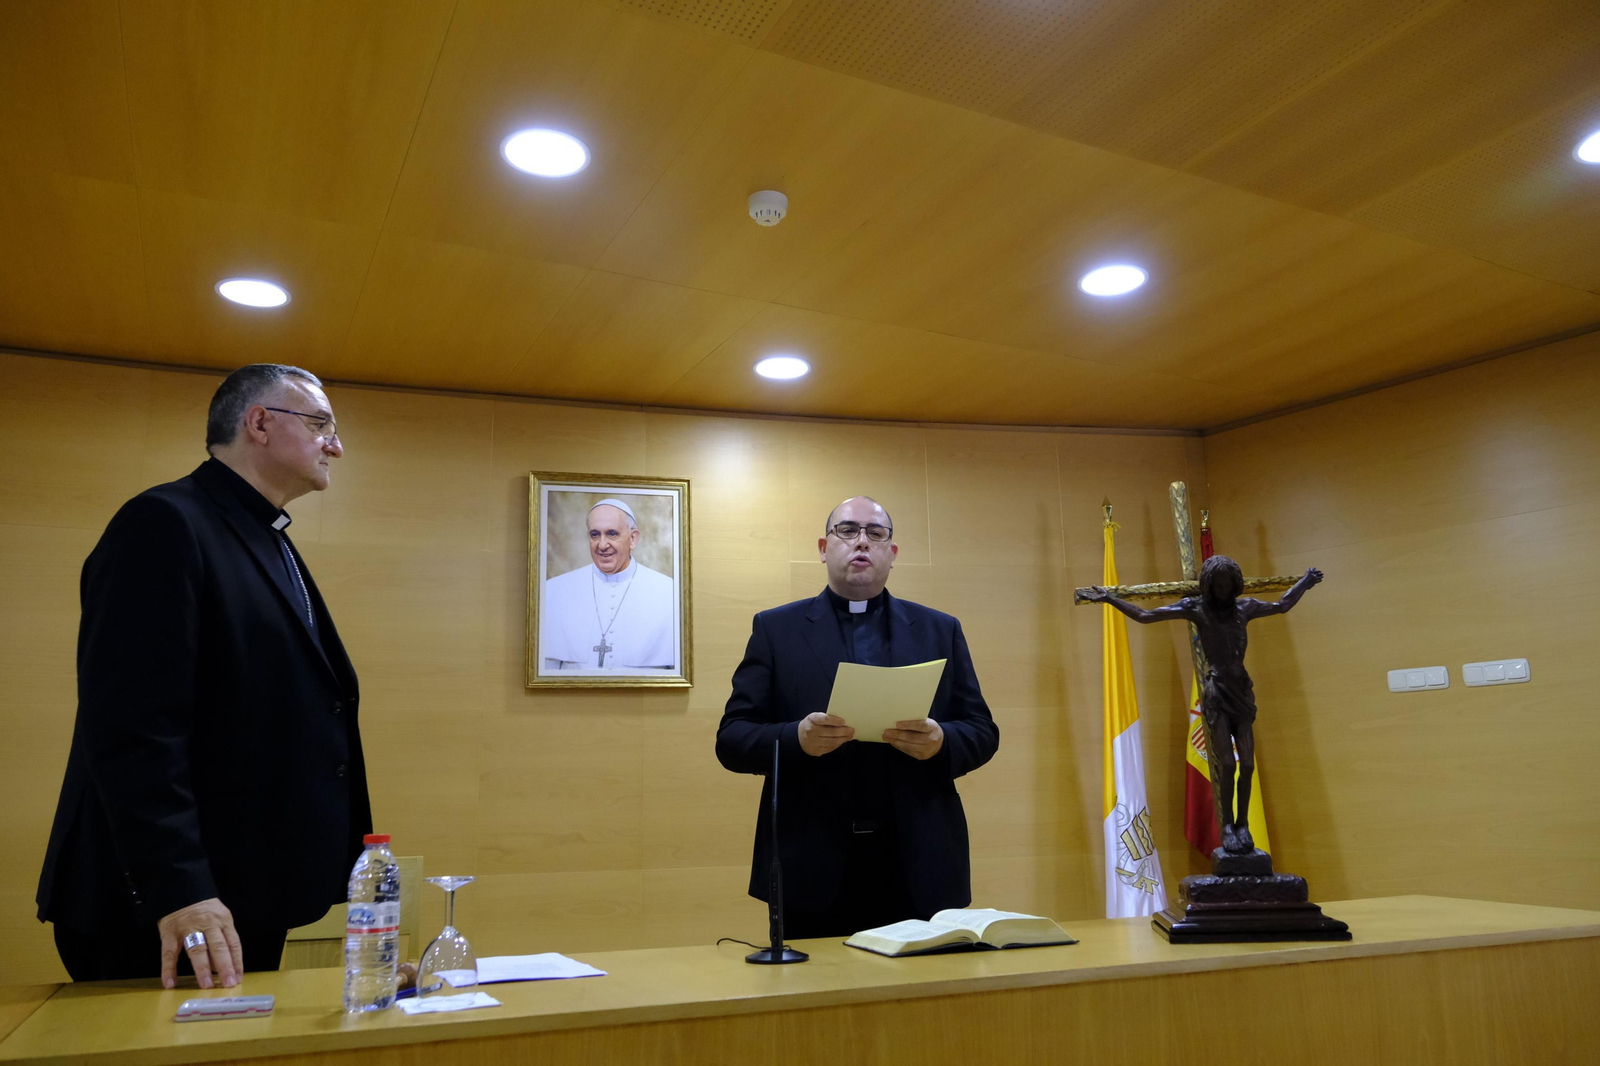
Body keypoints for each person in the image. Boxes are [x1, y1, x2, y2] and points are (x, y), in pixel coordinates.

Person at [36, 364, 370, 988]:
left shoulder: (262, 533)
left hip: (240, 895)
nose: (336, 444)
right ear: (260, 424)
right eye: (321, 423)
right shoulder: (165, 523)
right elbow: (134, 728)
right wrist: (179, 888)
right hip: (167, 909)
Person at [716, 496, 999, 938]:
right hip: (811, 862)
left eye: (875, 533)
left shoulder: (939, 629)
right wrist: (795, 739)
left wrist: (943, 740)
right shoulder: (776, 630)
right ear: (823, 548)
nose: (861, 542)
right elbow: (732, 738)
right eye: (847, 531)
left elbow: (982, 731)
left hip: (919, 861)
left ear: (893, 553)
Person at [1082, 556, 1322, 854]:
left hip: (1241, 692)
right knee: (1228, 763)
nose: (1222, 589)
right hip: (1216, 693)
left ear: (1235, 584)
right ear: (1209, 584)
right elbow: (1146, 617)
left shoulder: (1244, 608)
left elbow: (1282, 605)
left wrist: (1305, 583)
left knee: (1247, 764)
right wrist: (1111, 599)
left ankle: (1243, 823)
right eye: (1217, 584)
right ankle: (1226, 827)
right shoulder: (1195, 608)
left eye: (1227, 583)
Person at [541, 498, 677, 672]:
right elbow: (546, 672)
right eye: (595, 535)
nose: (602, 545)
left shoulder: (668, 592)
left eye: (612, 533)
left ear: (633, 539)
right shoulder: (555, 590)